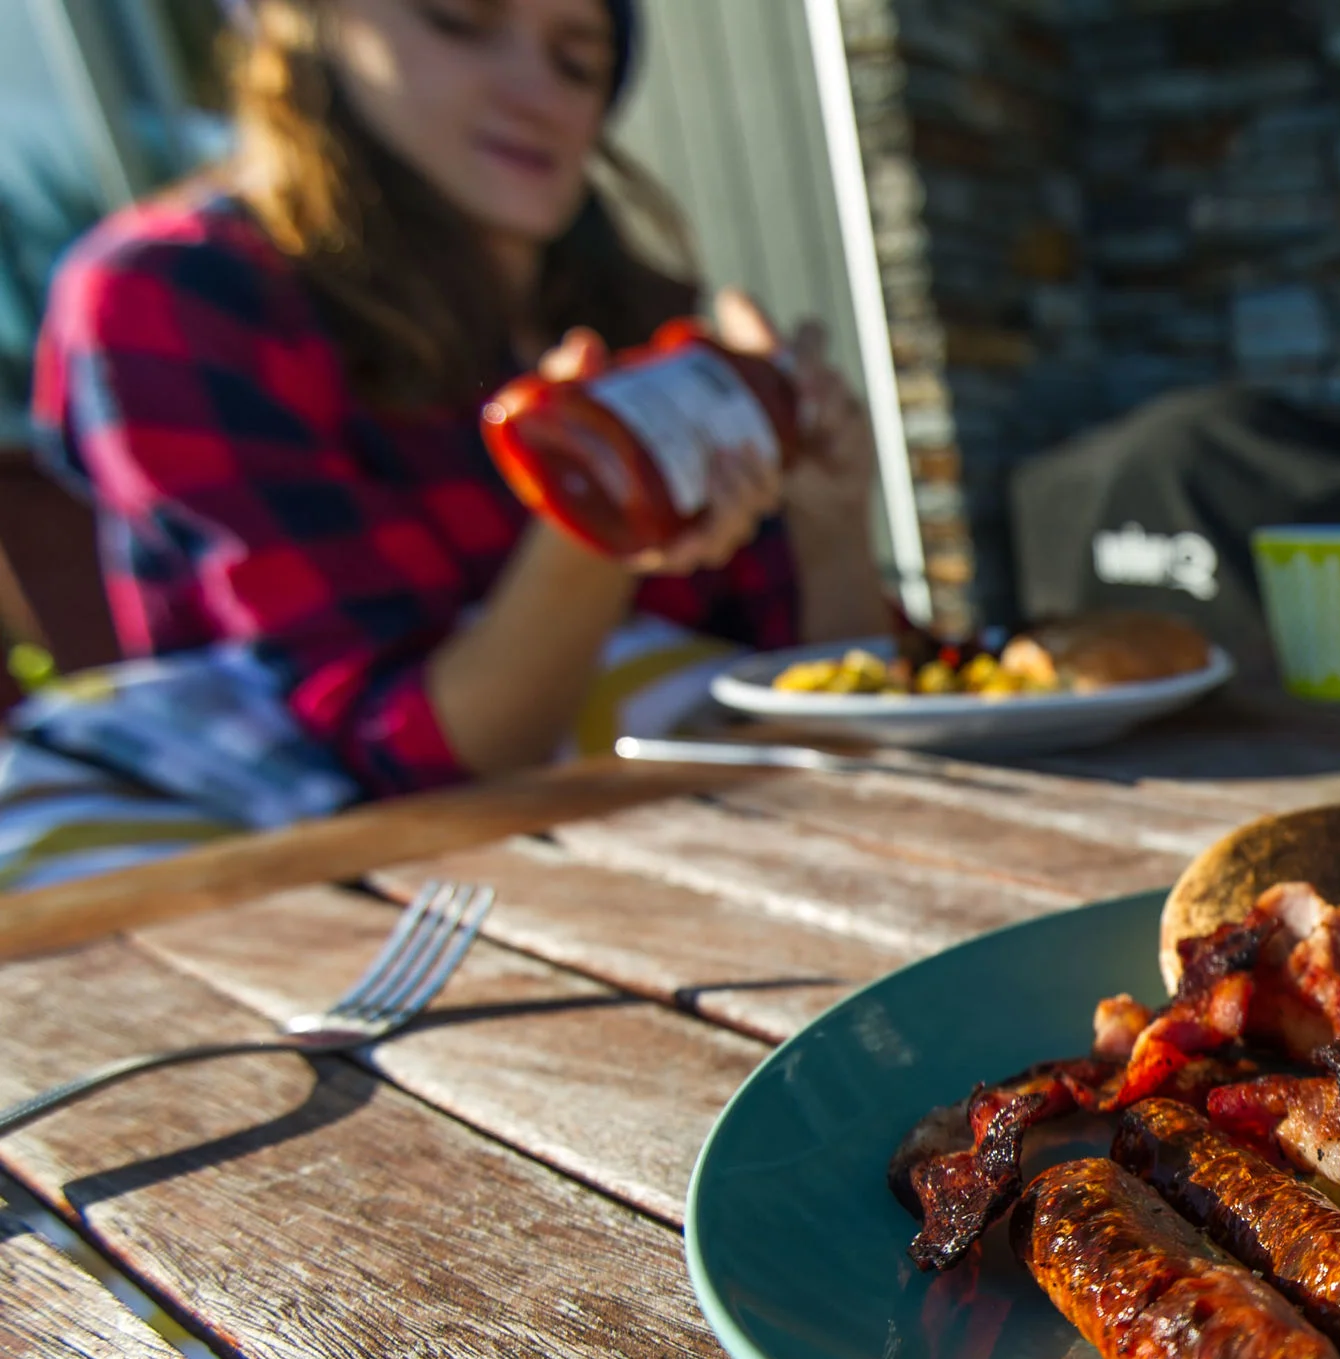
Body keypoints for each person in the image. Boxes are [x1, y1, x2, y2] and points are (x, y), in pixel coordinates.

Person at [29, 0, 886, 797]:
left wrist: (830, 523)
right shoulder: (175, 295)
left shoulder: (630, 324)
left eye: (578, 63)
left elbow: (824, 699)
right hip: (354, 900)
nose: (535, 92)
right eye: (461, 19)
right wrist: (593, 502)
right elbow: (420, 756)